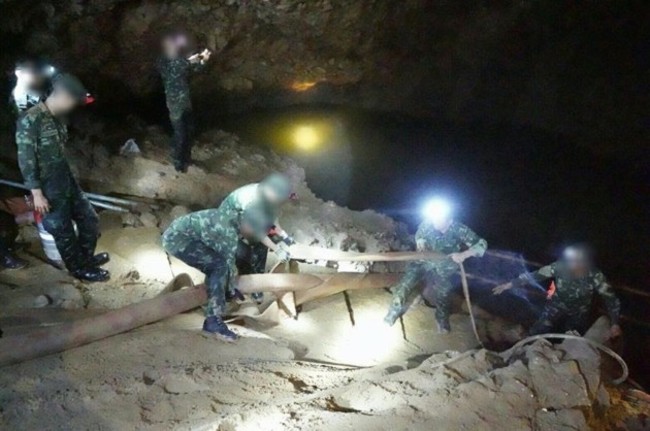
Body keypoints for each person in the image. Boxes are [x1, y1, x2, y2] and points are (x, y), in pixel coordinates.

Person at [15, 74, 110, 282]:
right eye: (73, 101)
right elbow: (26, 158)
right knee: (61, 228)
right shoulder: (31, 120)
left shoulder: (58, 118)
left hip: (64, 176)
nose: (73, 106)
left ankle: (86, 259)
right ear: (63, 96)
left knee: (89, 219)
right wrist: (36, 193)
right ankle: (77, 268)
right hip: (46, 184)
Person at [162, 206, 270, 342]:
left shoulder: (235, 221)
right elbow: (227, 260)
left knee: (227, 261)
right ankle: (212, 322)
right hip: (178, 239)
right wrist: (230, 289)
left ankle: (216, 295)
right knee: (218, 266)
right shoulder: (227, 228)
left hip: (192, 237)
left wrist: (229, 287)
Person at [384, 199, 488, 334]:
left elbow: (481, 244)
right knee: (405, 283)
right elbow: (420, 233)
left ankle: (442, 318)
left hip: (446, 265)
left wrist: (464, 254)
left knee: (443, 293)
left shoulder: (459, 229)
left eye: (438, 220)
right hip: (424, 260)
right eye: (433, 219)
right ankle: (394, 311)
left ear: (448, 219)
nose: (434, 223)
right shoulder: (429, 223)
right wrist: (420, 243)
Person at [493, 244, 622, 338]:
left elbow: (611, 299)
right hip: (557, 304)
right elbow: (535, 275)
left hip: (579, 311)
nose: (572, 266)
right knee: (538, 330)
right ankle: (525, 349)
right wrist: (509, 285)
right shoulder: (560, 266)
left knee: (572, 336)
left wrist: (615, 323)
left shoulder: (595, 275)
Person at [216, 173, 295, 302]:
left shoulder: (269, 194)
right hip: (227, 225)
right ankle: (243, 282)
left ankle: (258, 280)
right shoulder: (253, 201)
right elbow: (257, 233)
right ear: (270, 190)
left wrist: (283, 235)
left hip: (247, 220)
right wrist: (277, 249)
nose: (280, 200)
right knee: (242, 254)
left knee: (261, 249)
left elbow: (272, 217)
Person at [157, 32, 212, 173]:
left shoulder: (179, 59)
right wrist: (190, 60)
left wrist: (203, 60)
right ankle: (178, 162)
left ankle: (186, 158)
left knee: (190, 130)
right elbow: (176, 68)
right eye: (173, 45)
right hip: (175, 103)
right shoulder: (163, 61)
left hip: (185, 101)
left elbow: (193, 69)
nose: (176, 48)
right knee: (180, 133)